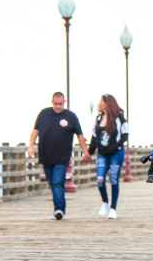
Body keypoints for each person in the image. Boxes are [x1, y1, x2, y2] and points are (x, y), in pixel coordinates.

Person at [27, 92, 91, 220]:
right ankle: (59, 207)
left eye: (60, 104)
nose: (58, 106)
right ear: (52, 102)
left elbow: (80, 135)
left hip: (62, 157)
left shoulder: (71, 116)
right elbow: (35, 131)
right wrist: (30, 146)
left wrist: (85, 152)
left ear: (64, 102)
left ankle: (59, 209)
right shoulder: (44, 114)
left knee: (57, 182)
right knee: (52, 183)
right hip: (46, 156)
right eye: (56, 104)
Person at [88, 94, 129, 220]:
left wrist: (115, 147)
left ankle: (113, 208)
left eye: (101, 102)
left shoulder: (119, 118)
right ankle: (105, 202)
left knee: (114, 179)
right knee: (100, 179)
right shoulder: (98, 119)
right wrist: (89, 152)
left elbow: (125, 135)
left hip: (116, 153)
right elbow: (94, 137)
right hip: (102, 154)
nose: (99, 104)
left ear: (107, 103)